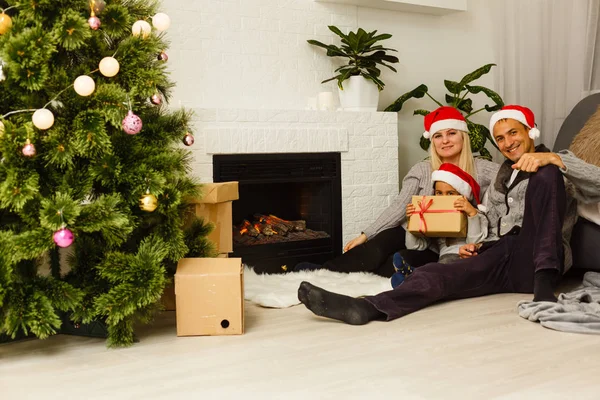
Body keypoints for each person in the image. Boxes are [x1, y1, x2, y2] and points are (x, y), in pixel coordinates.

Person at [297, 105, 600, 325]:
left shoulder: (557, 165)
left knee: (544, 174)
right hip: (503, 258)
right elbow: (492, 225)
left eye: (513, 133)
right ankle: (368, 309)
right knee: (435, 273)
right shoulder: (500, 180)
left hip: (538, 260)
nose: (508, 143)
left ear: (529, 132)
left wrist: (555, 158)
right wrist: (479, 245)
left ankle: (544, 288)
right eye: (501, 139)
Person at [294, 106, 500, 277]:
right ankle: (324, 273)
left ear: (463, 136)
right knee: (379, 246)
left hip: (446, 245)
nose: (445, 141)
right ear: (432, 141)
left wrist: (533, 158)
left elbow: (516, 177)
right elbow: (398, 207)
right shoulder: (422, 170)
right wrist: (366, 235)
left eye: (451, 133)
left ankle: (368, 277)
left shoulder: (483, 169)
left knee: (396, 262)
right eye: (438, 136)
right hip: (417, 233)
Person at [391, 163, 488, 288]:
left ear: (463, 195)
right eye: (439, 193)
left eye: (450, 193)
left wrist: (472, 215)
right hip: (444, 260)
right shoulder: (436, 217)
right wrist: (413, 221)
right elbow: (414, 246)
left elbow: (475, 243)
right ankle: (413, 278)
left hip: (467, 260)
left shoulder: (477, 215)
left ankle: (413, 277)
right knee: (437, 267)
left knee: (442, 269)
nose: (443, 198)